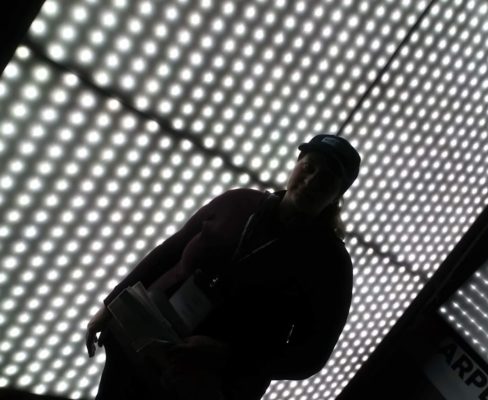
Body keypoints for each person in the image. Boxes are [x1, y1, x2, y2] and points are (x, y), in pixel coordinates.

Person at [85, 134, 361, 400]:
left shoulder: (330, 263)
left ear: (338, 195)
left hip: (205, 384)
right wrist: (112, 306)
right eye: (309, 167)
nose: (311, 181)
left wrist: (228, 355)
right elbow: (168, 252)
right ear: (296, 164)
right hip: (142, 340)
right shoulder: (238, 202)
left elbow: (312, 355)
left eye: (326, 179)